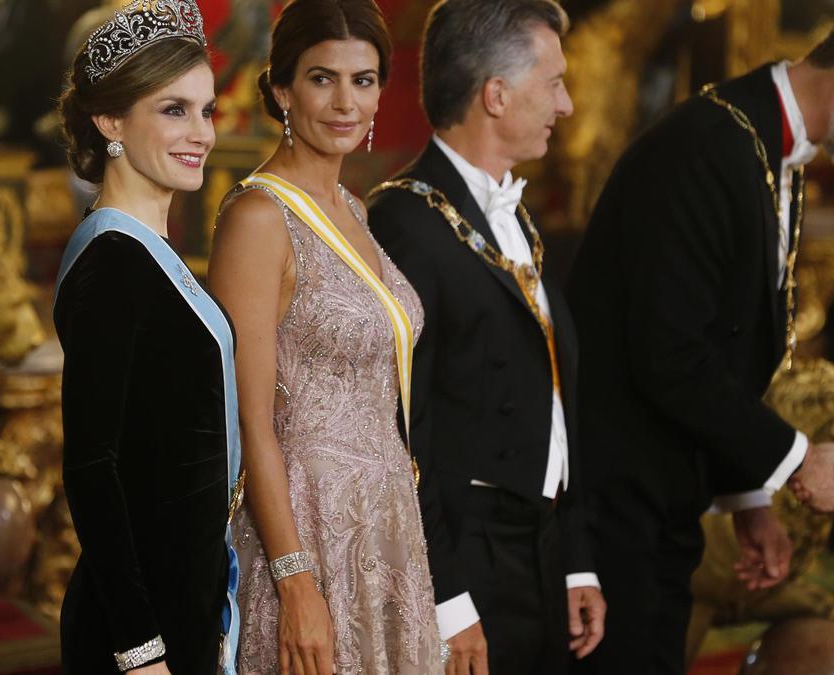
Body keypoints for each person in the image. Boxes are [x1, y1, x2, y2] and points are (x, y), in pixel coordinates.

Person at [566, 30, 834, 675]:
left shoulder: (761, 144)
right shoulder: (706, 144)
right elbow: (669, 352)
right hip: (612, 504)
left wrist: (748, 497)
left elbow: (724, 345)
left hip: (667, 495)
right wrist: (798, 458)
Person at [367, 2, 606, 673]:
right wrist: (448, 599)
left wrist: (575, 560)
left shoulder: (512, 213)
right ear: (496, 95)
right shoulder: (405, 222)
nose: (566, 104)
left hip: (542, 545)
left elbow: (555, 397)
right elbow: (401, 432)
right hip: (467, 560)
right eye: (554, 82)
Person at [208, 1, 444, 673]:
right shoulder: (258, 217)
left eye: (364, 80)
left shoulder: (354, 210)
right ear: (282, 88)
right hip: (305, 532)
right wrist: (295, 578)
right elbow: (249, 418)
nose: (346, 101)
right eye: (323, 78)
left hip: (386, 523)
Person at [53, 1, 241, 672]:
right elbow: (91, 468)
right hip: (140, 635)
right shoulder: (112, 266)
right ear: (110, 121)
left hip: (185, 607)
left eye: (206, 110)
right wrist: (140, 649)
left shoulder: (148, 254)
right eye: (173, 110)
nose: (201, 133)